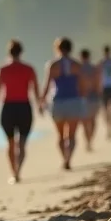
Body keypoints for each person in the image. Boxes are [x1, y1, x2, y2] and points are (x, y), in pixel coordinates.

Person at [0, 40, 39, 184]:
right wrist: (40, 105)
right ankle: (18, 171)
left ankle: (13, 172)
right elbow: (35, 90)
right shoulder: (29, 69)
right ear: (21, 52)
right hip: (24, 107)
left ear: (9, 52)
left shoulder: (3, 69)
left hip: (8, 108)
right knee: (21, 144)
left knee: (10, 143)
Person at [41, 38, 82, 171]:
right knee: (71, 135)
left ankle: (64, 157)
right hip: (74, 100)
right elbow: (82, 85)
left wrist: (41, 100)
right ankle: (69, 158)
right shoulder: (77, 64)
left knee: (60, 135)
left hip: (58, 101)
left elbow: (47, 85)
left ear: (57, 49)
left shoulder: (53, 65)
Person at [78, 48, 101, 151]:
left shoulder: (78, 68)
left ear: (81, 57)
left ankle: (87, 140)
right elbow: (98, 83)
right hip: (94, 97)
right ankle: (90, 139)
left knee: (84, 121)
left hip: (83, 97)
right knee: (93, 120)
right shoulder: (94, 68)